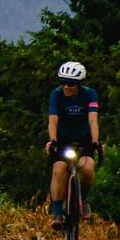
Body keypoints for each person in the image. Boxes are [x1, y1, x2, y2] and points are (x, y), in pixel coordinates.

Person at [44, 60, 101, 228]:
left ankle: (83, 200)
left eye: (70, 83)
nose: (66, 87)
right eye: (63, 82)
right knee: (58, 169)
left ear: (78, 84)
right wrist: (53, 140)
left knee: (88, 168)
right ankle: (56, 213)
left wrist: (95, 142)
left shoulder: (90, 94)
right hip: (62, 139)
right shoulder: (56, 94)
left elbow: (93, 120)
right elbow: (53, 121)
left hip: (83, 139)